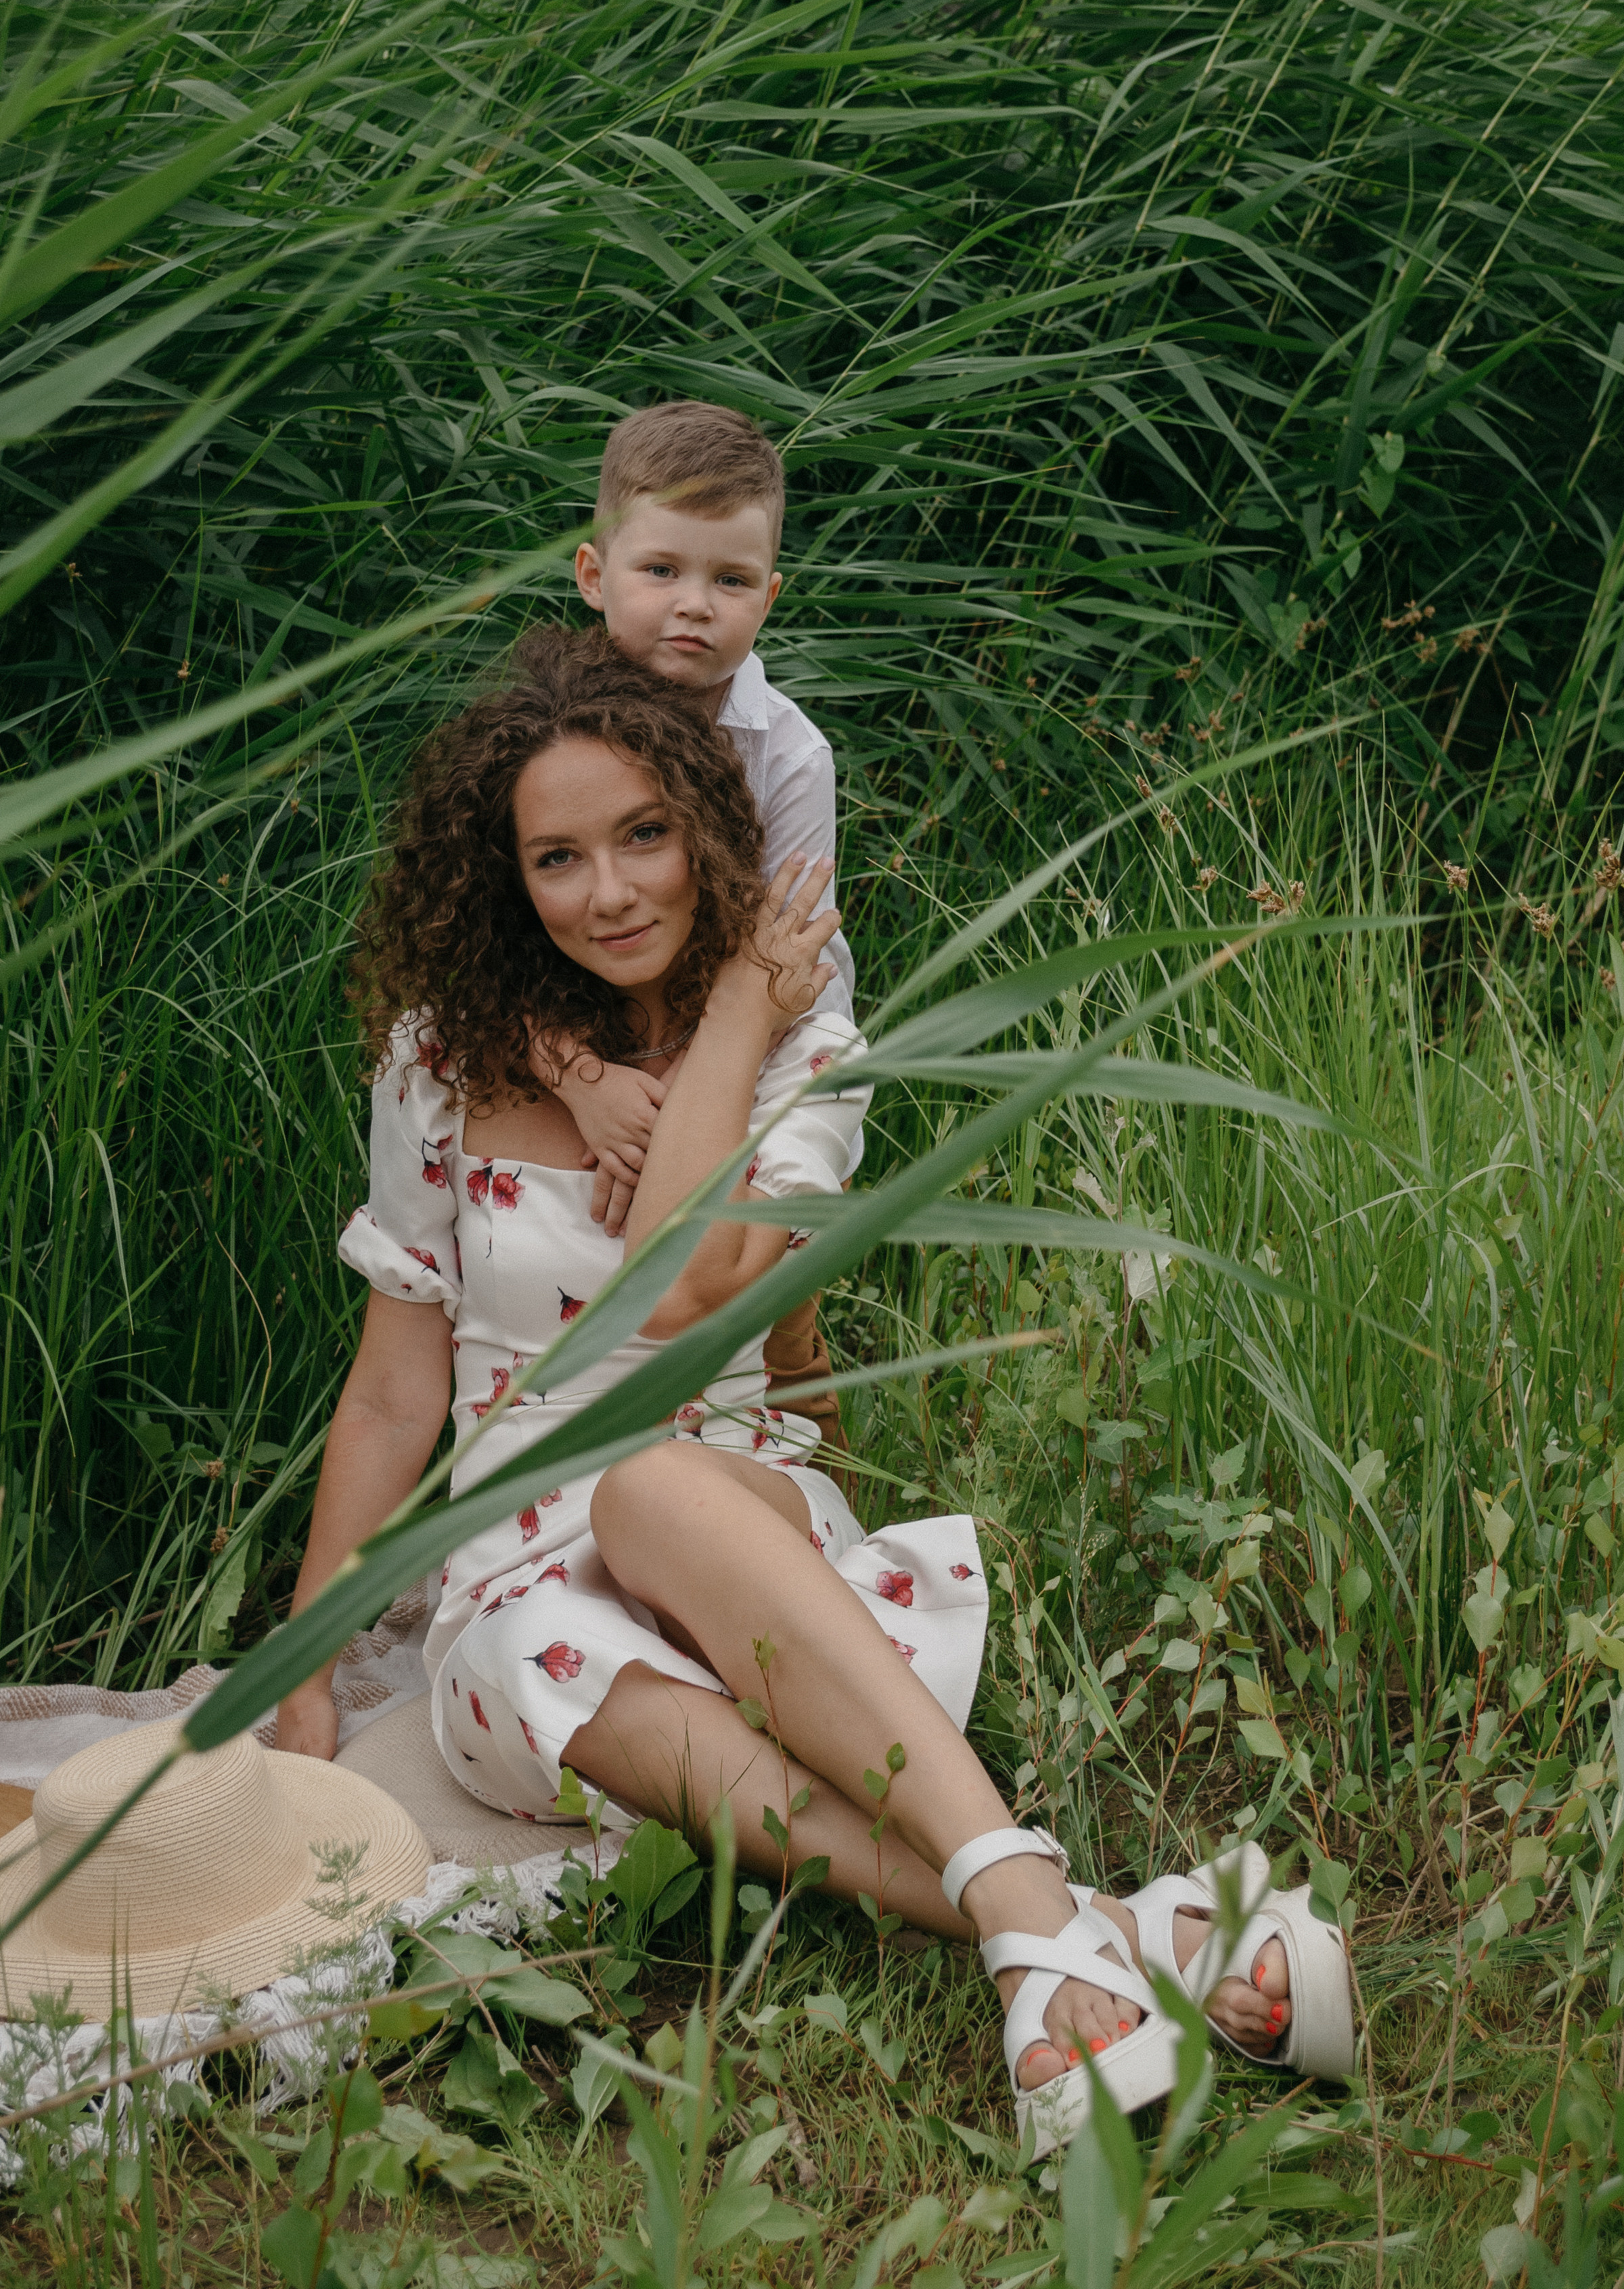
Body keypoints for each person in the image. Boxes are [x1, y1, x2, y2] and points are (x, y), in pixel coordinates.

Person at [276, 627, 1350, 2152]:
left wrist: (739, 1013)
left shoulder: (808, 1054)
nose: (613, 890)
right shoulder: (438, 1070)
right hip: (517, 1559)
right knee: (531, 1644)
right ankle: (1071, 1925)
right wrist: (309, 1659)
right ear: (505, 876)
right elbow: (393, 1397)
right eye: (559, 857)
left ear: (710, 825)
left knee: (650, 1490)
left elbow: (687, 1279)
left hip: (736, 1511)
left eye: (646, 835)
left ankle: (1038, 1934)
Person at [560, 401, 849, 1436]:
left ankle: (794, 1402)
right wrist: (578, 1073)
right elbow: (497, 934)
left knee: (763, 1224)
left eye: (730, 582)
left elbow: (791, 951)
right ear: (595, 575)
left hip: (768, 1020)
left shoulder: (787, 754)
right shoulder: (549, 729)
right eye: (662, 572)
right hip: (592, 1011)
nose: (694, 606)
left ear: (769, 598)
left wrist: (693, 1081)